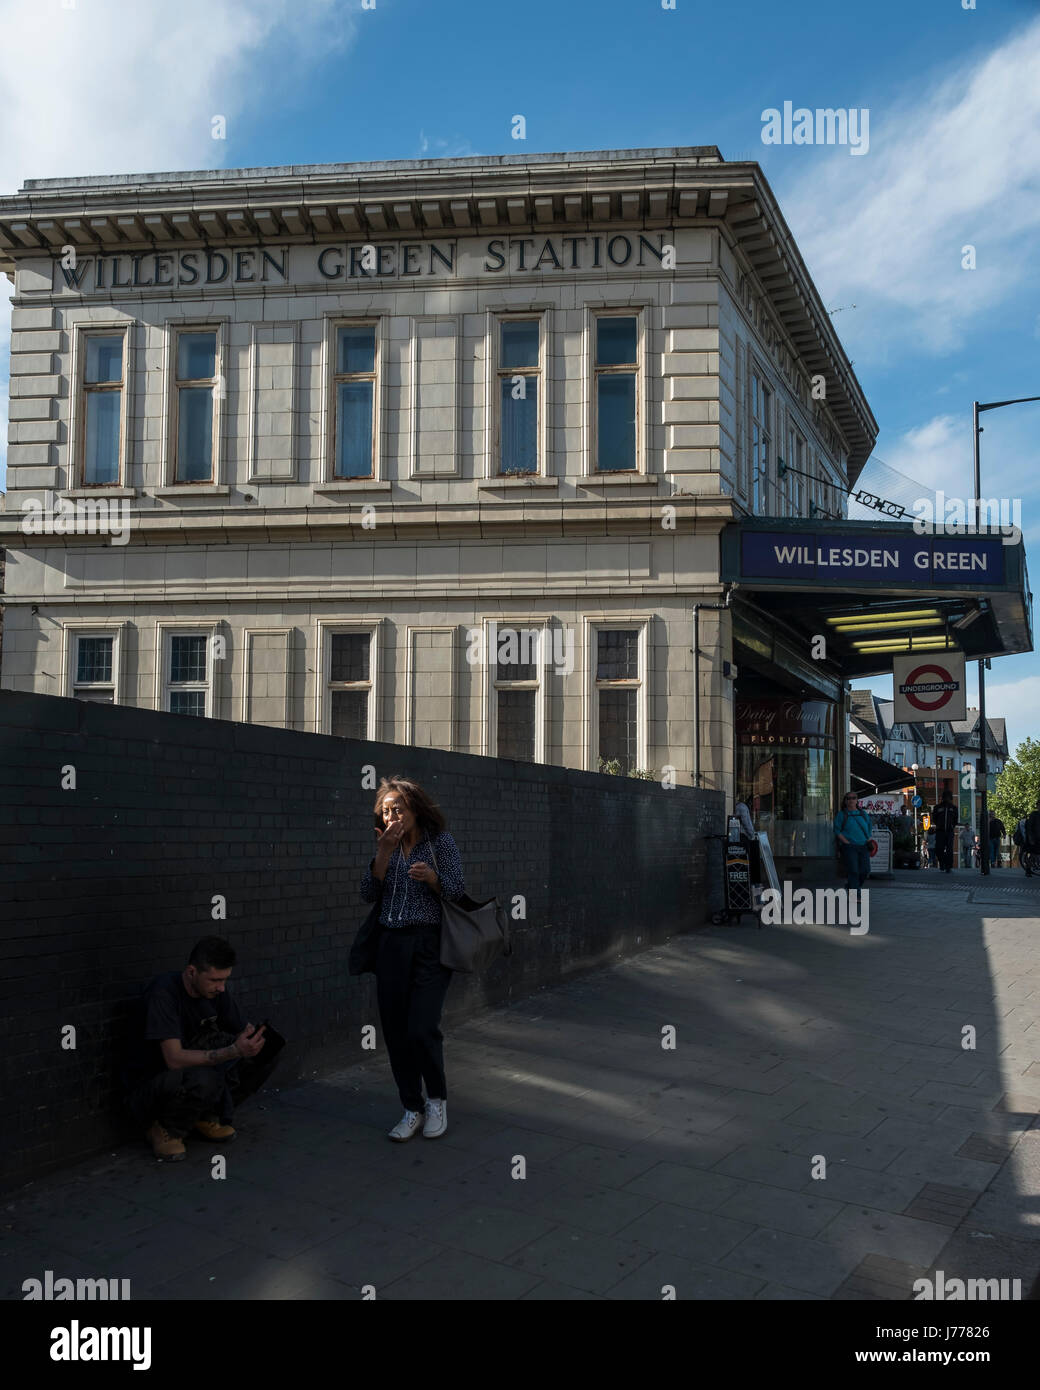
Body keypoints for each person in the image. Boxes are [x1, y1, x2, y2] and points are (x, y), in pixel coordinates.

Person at [361, 777, 466, 1143]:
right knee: (394, 1031)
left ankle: (436, 1100)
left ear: (415, 810)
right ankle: (412, 1107)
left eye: (397, 810)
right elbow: (366, 893)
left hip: (429, 946)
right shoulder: (383, 845)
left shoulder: (440, 843)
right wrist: (383, 854)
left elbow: (456, 890)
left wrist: (433, 878)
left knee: (421, 1028)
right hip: (390, 944)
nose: (391, 817)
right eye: (385, 811)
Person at [125, 937, 277, 1162]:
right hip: (152, 1082)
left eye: (225, 980)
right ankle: (164, 1129)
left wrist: (254, 1039)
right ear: (191, 972)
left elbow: (241, 1028)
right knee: (206, 1077)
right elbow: (174, 1059)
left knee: (265, 1053)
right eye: (215, 980)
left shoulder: (217, 992)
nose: (221, 987)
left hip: (192, 1071)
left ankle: (205, 1115)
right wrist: (234, 1050)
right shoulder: (163, 994)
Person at [833, 791, 873, 891]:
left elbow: (869, 828)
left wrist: (868, 839)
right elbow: (837, 830)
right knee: (853, 871)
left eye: (853, 798)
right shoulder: (842, 814)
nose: (851, 800)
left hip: (863, 846)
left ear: (857, 800)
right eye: (848, 798)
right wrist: (846, 842)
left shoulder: (863, 814)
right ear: (845, 801)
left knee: (865, 870)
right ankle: (854, 895)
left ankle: (851, 886)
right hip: (849, 847)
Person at [734, 796, 762, 885]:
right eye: (756, 802)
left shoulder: (741, 806)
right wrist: (752, 835)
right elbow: (746, 822)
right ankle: (751, 882)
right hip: (743, 836)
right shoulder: (742, 807)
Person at [931, 790, 957, 873]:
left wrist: (952, 826)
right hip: (940, 831)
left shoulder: (953, 808)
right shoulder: (937, 807)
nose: (947, 799)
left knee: (949, 849)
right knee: (939, 849)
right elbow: (934, 818)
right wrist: (938, 825)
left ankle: (948, 866)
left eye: (948, 798)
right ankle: (942, 863)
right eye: (945, 797)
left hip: (949, 831)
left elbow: (955, 820)